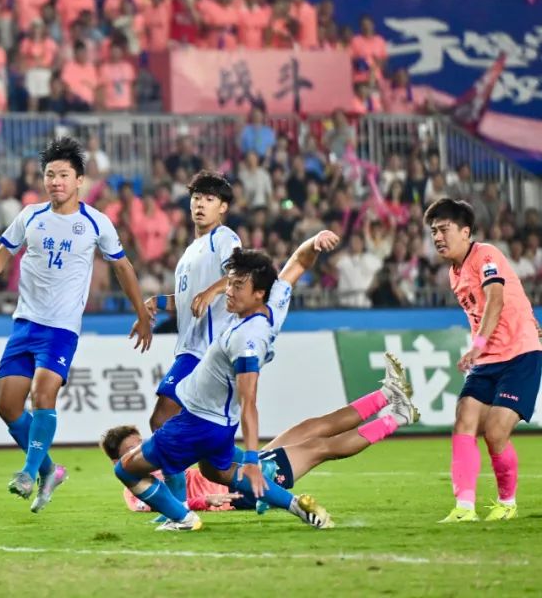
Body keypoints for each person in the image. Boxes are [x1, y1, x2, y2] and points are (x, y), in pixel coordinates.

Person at [0, 137, 153, 513]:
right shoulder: (31, 216)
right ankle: (50, 471)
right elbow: (4, 250)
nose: (56, 181)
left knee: (43, 395)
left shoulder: (95, 222)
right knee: (7, 407)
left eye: (64, 175)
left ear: (79, 180)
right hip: (25, 324)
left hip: (61, 329)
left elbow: (122, 267)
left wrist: (141, 313)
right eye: (50, 174)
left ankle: (28, 472)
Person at [112, 232, 339, 532]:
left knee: (125, 469)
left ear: (258, 293)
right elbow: (297, 264)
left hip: (197, 424)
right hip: (219, 424)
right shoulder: (272, 304)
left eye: (237, 286)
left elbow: (249, 402)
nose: (228, 292)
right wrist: (315, 242)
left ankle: (182, 518)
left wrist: (252, 458)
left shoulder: (248, 341)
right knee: (217, 472)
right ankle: (296, 505)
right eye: (229, 283)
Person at [102, 352, 418, 514]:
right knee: (322, 447)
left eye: (139, 443)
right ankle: (397, 417)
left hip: (238, 466)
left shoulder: (160, 454)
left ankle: (387, 395)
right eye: (131, 450)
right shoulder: (134, 489)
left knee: (311, 427)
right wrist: (203, 501)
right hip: (241, 489)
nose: (139, 451)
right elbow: (154, 505)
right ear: (119, 461)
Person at [424, 198, 542, 523]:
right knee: (463, 420)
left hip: (519, 354)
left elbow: (496, 299)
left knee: (495, 431)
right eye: (433, 232)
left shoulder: (485, 254)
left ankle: (507, 502)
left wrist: (477, 345)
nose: (437, 237)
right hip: (488, 358)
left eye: (444, 229)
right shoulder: (454, 273)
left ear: (465, 231)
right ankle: (464, 508)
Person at [143, 171, 240, 506]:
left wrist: (211, 290)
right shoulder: (189, 252)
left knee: (162, 420)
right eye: (196, 198)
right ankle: (259, 470)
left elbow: (239, 273)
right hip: (190, 348)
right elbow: (187, 301)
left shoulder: (224, 238)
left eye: (209, 199)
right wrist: (158, 302)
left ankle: (178, 506)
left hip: (205, 351)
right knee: (209, 450)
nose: (200, 204)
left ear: (222, 207)